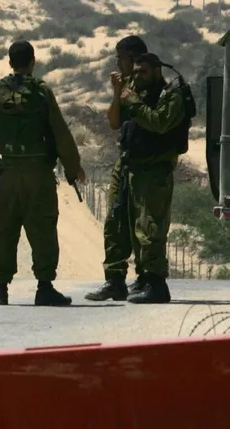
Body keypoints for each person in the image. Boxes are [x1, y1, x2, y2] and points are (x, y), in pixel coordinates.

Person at [0, 40, 86, 306]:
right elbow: (60, 133)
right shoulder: (41, 92)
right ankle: (44, 287)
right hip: (39, 174)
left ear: (10, 63)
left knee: (6, 228)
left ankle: (0, 290)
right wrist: (73, 167)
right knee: (43, 229)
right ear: (33, 62)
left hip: (8, 174)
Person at [104, 52, 185, 304]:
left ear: (157, 71)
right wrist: (120, 94)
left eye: (143, 72)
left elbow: (159, 123)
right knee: (129, 225)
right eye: (136, 71)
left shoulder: (170, 96)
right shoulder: (133, 92)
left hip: (155, 170)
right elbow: (115, 121)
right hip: (133, 167)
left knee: (150, 227)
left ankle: (157, 284)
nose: (137, 76)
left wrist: (134, 102)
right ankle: (139, 279)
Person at [85, 35, 150, 302]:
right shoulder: (125, 87)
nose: (118, 64)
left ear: (133, 59)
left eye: (120, 58)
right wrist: (116, 93)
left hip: (147, 165)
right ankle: (114, 280)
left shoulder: (151, 86)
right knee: (115, 220)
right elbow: (114, 122)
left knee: (144, 224)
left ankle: (147, 278)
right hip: (125, 161)